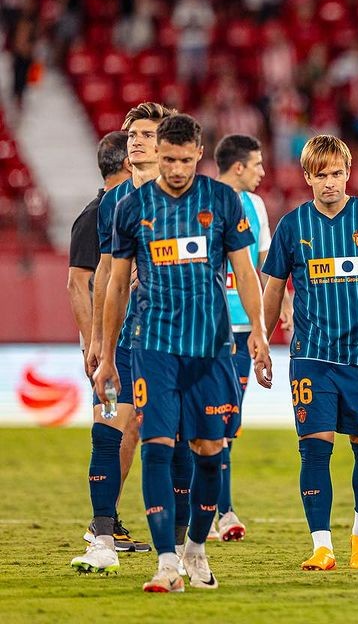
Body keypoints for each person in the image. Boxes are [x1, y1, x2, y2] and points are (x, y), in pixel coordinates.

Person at [94, 113, 271, 593]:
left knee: (209, 452)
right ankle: (166, 563)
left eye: (184, 160)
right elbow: (116, 286)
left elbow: (245, 272)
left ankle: (195, 547)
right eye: (168, 159)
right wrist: (106, 354)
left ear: (199, 155)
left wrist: (258, 331)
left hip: (210, 348)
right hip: (153, 345)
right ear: (160, 154)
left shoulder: (222, 200)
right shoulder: (130, 207)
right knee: (156, 446)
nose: (175, 169)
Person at [261, 135, 358, 572]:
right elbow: (273, 290)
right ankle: (322, 546)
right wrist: (261, 341)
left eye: (337, 173)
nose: (330, 182)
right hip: (311, 356)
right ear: (307, 177)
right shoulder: (292, 226)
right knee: (314, 449)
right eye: (321, 175)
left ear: (348, 173)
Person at [68, 131, 149, 574]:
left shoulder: (168, 203)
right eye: (135, 138)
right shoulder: (98, 212)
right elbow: (80, 282)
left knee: (136, 431)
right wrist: (94, 341)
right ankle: (101, 527)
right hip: (115, 341)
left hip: (155, 338)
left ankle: (112, 520)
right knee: (112, 428)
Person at [209, 134, 281, 542]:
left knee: (229, 419)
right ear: (238, 167)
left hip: (243, 328)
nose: (262, 172)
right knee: (208, 419)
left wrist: (278, 307)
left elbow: (263, 264)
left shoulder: (255, 205)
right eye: (257, 165)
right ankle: (221, 511)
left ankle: (217, 509)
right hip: (206, 329)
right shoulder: (200, 200)